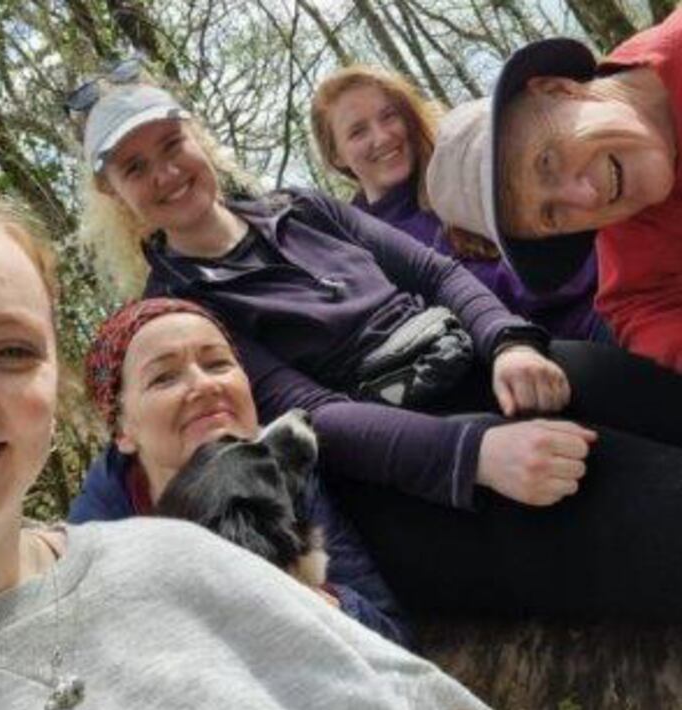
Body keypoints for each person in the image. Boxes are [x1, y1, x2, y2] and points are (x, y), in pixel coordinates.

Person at [70, 74, 682, 624]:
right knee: (645, 503)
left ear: (198, 140)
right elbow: (311, 413)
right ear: (116, 195)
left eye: (172, 145)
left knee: (642, 393)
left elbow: (435, 272)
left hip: (469, 360)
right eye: (135, 167)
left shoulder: (302, 208)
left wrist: (507, 343)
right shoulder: (182, 308)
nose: (167, 173)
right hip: (405, 454)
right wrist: (474, 454)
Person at [0, 178, 493, 710]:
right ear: (119, 427)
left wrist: (302, 595)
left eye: (10, 350)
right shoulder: (112, 514)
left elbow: (391, 665)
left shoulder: (214, 525)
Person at [70, 297, 415, 648]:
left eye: (218, 363)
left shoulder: (282, 466)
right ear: (122, 432)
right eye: (163, 378)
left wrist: (320, 603)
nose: (204, 385)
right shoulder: (96, 548)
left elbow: (393, 636)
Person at [426, 8, 682, 373]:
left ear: (558, 89)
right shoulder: (629, 233)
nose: (586, 198)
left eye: (547, 162)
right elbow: (639, 307)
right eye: (553, 215)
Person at [310, 64, 610, 342]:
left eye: (389, 116)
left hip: (608, 279)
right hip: (556, 345)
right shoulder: (364, 248)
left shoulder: (464, 161)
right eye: (358, 131)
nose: (383, 136)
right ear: (336, 155)